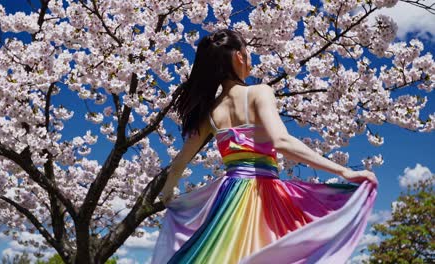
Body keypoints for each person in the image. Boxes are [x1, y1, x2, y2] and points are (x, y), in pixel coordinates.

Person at [153, 28, 378, 264]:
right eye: (248, 53)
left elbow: (179, 162)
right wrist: (344, 171)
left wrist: (169, 194)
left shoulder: (209, 112)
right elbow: (281, 141)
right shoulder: (259, 92)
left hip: (228, 202)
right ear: (239, 56)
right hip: (265, 194)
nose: (250, 59)